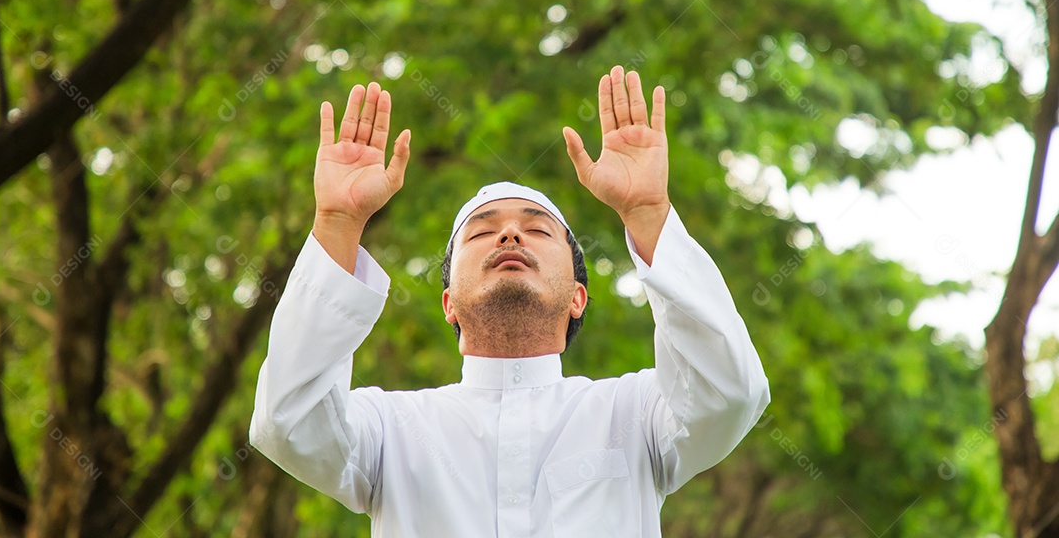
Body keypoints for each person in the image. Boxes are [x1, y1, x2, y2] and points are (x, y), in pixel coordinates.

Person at [249, 66, 770, 537]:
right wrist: (337, 224)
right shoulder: (390, 432)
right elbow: (287, 422)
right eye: (482, 232)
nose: (510, 237)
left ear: (577, 298)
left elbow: (730, 394)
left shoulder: (634, 417)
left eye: (538, 229)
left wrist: (649, 212)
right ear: (449, 302)